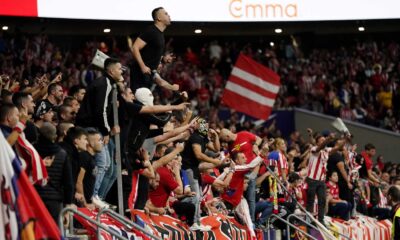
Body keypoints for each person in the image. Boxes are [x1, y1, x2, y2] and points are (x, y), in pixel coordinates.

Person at [219, 128, 262, 223]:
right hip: (239, 172)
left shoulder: (244, 134)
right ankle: (240, 221)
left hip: (251, 170)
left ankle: (252, 222)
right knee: (240, 197)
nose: (224, 143)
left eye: (224, 140)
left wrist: (255, 145)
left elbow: (259, 139)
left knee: (250, 198)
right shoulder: (231, 147)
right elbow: (233, 158)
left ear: (227, 136)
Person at [129, 7, 176, 91]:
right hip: (139, 74)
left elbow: (150, 54)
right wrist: (143, 66)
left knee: (146, 102)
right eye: (166, 14)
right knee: (141, 102)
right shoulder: (151, 31)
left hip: (148, 75)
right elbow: (135, 47)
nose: (169, 15)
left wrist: (163, 59)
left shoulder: (160, 34)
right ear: (159, 18)